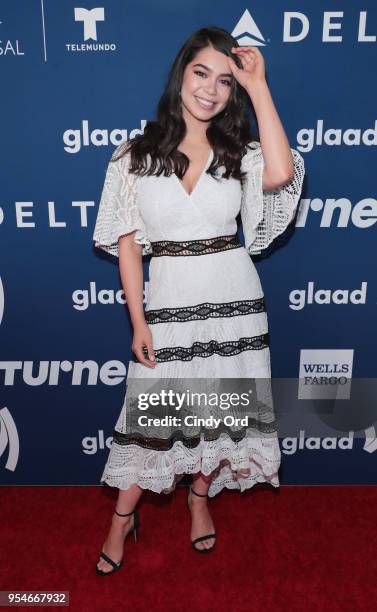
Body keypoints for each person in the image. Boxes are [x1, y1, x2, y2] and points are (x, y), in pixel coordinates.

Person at [92, 26, 305, 575]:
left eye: (225, 81)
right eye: (201, 73)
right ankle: (121, 519)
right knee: (153, 420)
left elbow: (282, 174)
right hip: (168, 303)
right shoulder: (135, 154)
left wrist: (258, 86)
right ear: (181, 73)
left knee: (218, 414)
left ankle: (199, 498)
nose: (210, 89)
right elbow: (128, 246)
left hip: (233, 299)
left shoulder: (241, 153)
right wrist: (137, 321)